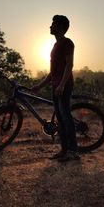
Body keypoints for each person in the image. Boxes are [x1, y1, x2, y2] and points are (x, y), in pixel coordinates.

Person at [31, 15, 80, 162]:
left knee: (66, 118)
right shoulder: (54, 45)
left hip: (63, 86)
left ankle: (73, 152)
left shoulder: (67, 43)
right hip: (56, 86)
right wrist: (40, 85)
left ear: (60, 26)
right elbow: (53, 72)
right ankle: (64, 150)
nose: (50, 26)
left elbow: (69, 65)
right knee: (60, 119)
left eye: (53, 24)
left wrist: (62, 85)